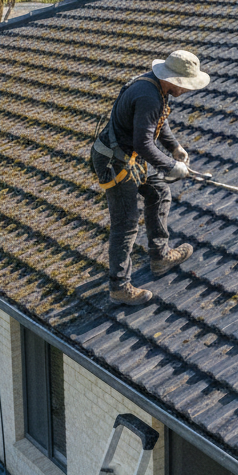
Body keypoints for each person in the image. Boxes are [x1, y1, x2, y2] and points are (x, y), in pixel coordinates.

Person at [91, 49, 210, 305]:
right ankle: (119, 287)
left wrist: (174, 147)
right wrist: (171, 166)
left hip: (131, 156)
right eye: (186, 86)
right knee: (126, 224)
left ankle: (160, 256)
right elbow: (143, 143)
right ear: (173, 80)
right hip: (116, 161)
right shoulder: (148, 96)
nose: (187, 91)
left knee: (158, 192)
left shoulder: (157, 89)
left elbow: (157, 121)